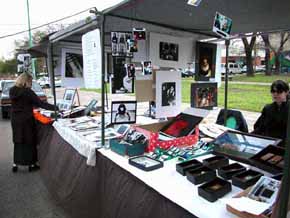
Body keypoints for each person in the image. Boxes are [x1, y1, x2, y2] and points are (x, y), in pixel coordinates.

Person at [9, 73, 57, 172]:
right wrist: (56, 108)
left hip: (15, 119)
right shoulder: (28, 92)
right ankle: (31, 164)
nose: (31, 84)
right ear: (26, 81)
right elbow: (40, 103)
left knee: (18, 140)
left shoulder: (12, 90)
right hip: (27, 119)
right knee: (30, 140)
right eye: (30, 82)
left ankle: (15, 163)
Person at [252, 80, 289, 146]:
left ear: (287, 92)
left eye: (279, 91)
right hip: (267, 143)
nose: (275, 94)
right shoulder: (268, 108)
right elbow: (259, 127)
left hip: (284, 146)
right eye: (273, 91)